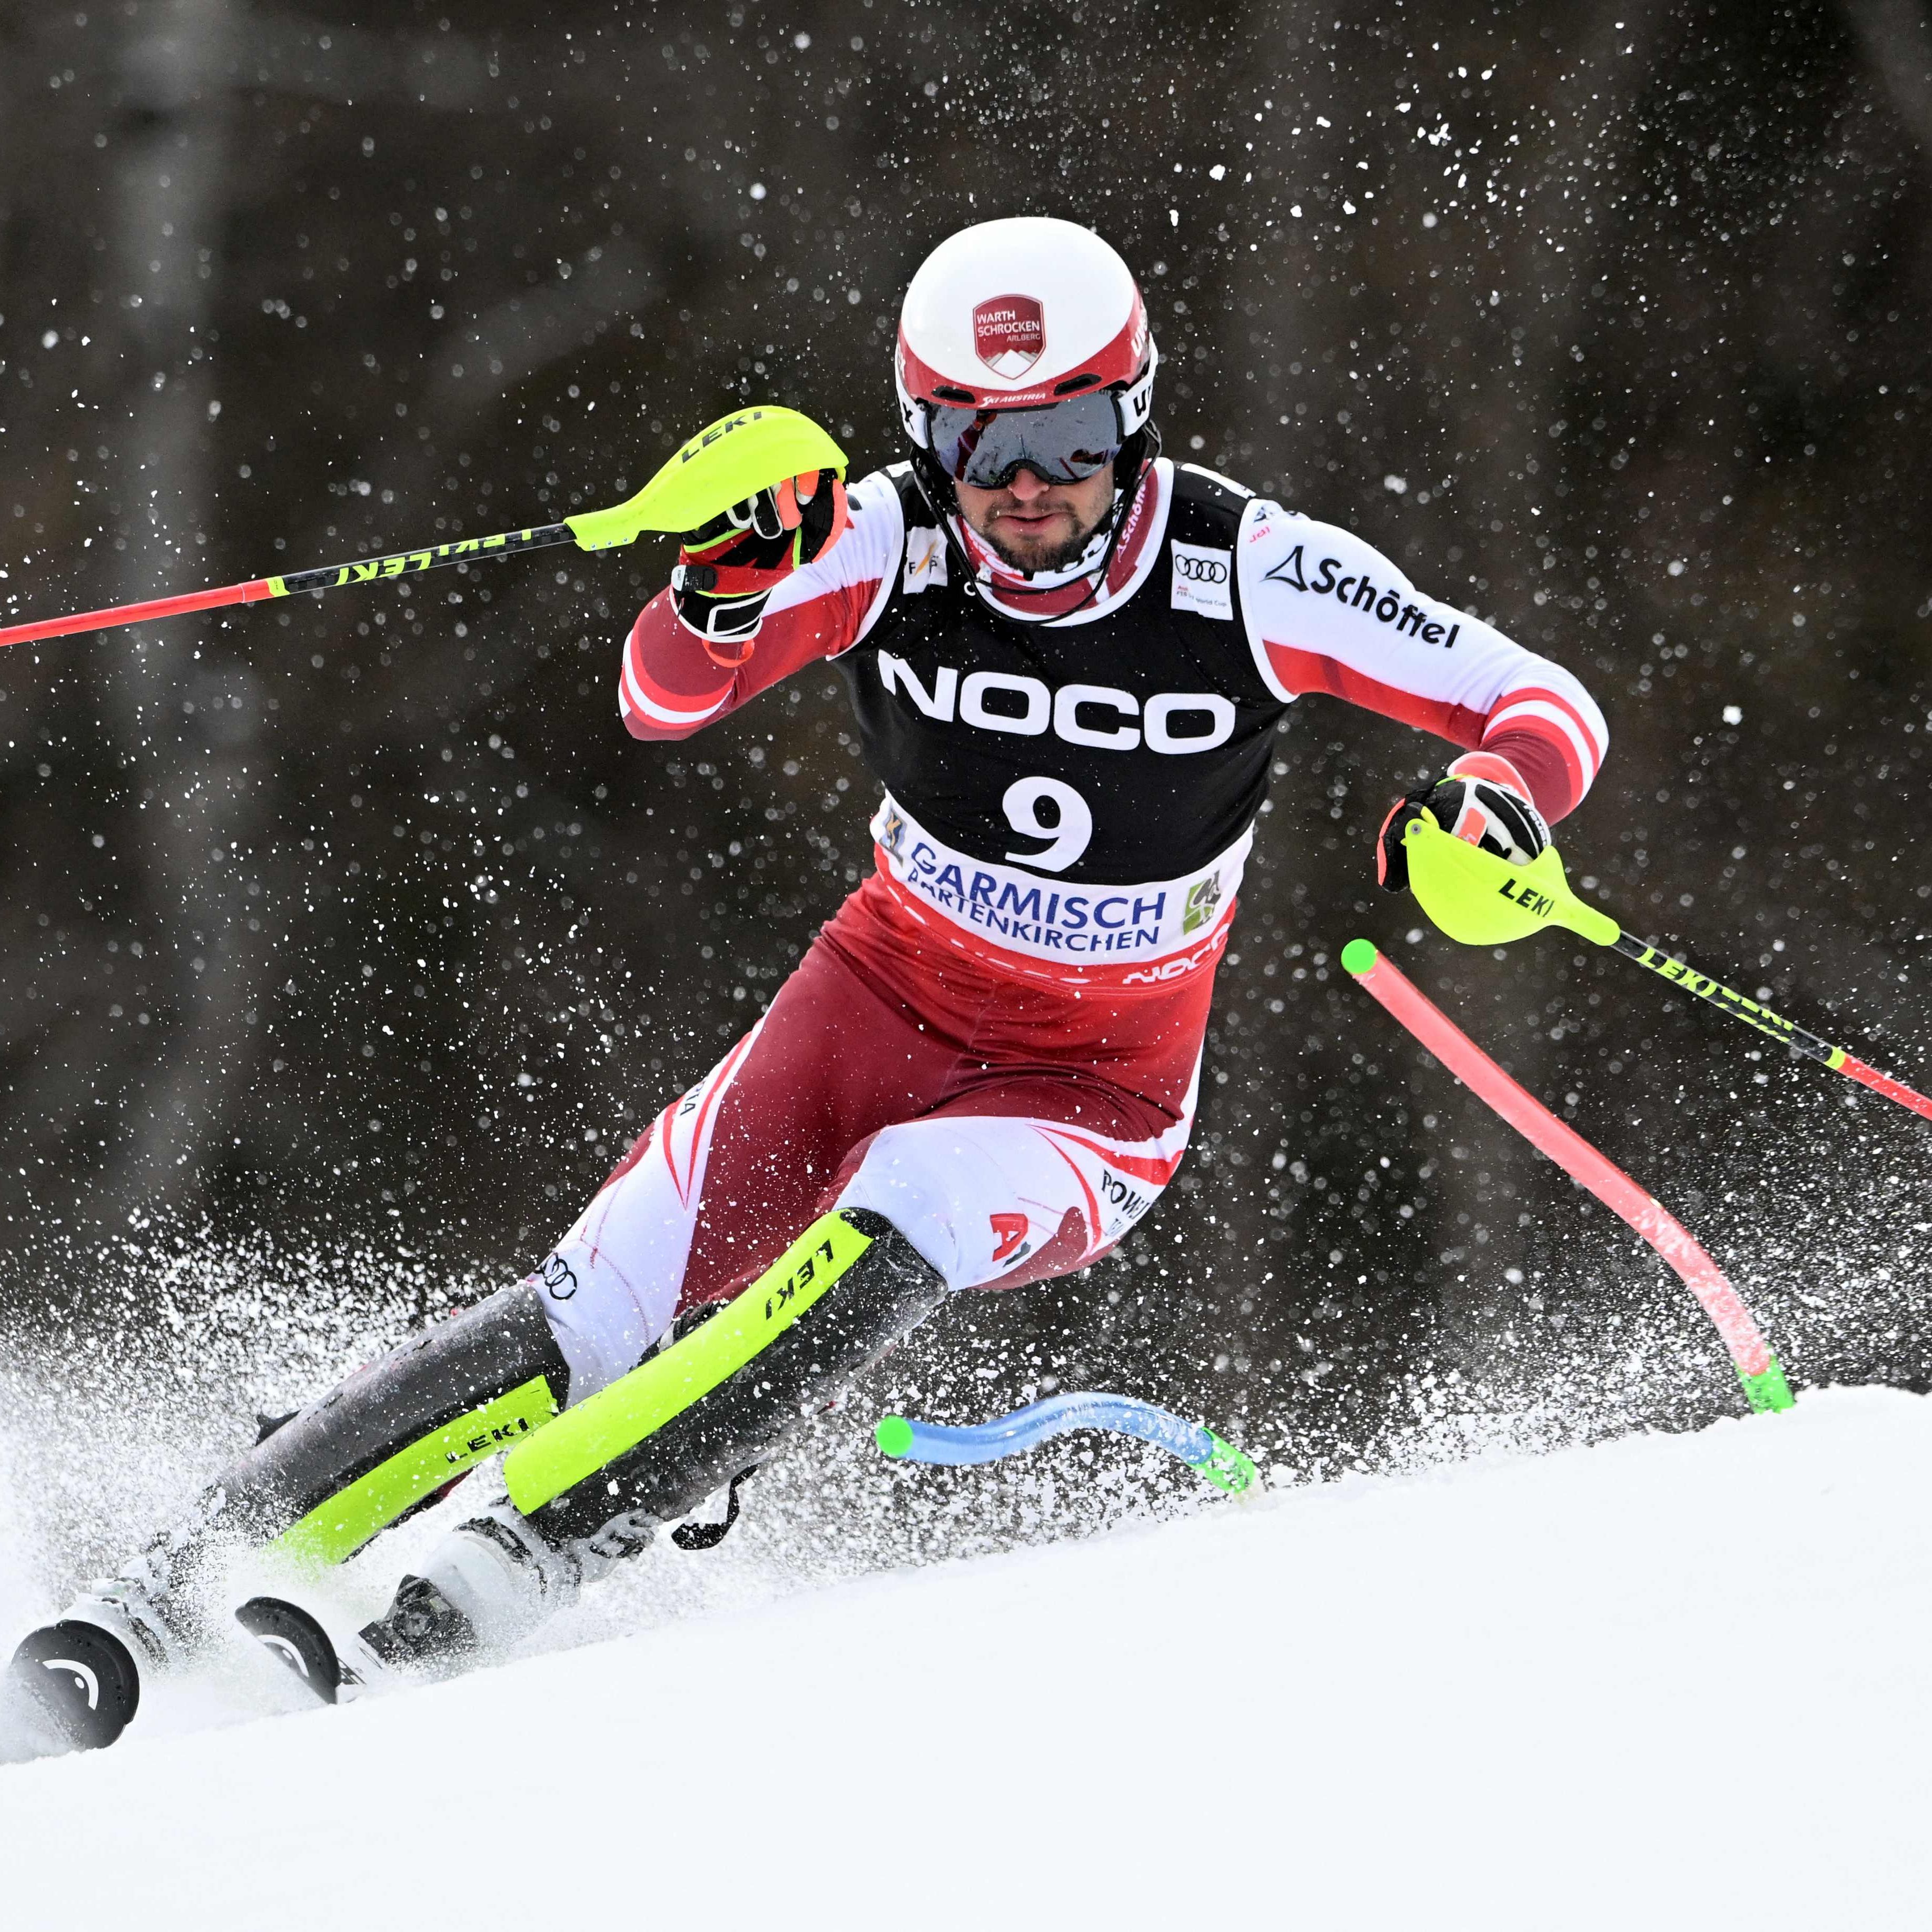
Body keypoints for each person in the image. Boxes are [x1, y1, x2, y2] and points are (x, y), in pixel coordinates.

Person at [11, 215, 1607, 1742]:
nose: (1033, 489)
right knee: (601, 1304)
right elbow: (660, 696)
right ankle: (169, 1588)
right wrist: (719, 591)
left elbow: (1536, 699)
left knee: (902, 1212)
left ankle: (503, 1563)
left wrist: (1502, 797)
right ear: (929, 434)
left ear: (1137, 413)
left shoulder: (1245, 568)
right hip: (869, 1008)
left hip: (1090, 1098)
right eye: (986, 446)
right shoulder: (891, 535)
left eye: (1072, 436)